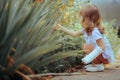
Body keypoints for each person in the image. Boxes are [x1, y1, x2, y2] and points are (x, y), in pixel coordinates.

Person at [55, 4, 115, 72]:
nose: (80, 18)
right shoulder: (86, 30)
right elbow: (74, 33)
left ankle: (98, 66)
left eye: (81, 16)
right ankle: (96, 64)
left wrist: (89, 57)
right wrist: (60, 27)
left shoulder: (95, 31)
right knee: (85, 46)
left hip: (105, 57)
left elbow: (102, 46)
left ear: (87, 19)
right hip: (101, 56)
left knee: (87, 46)